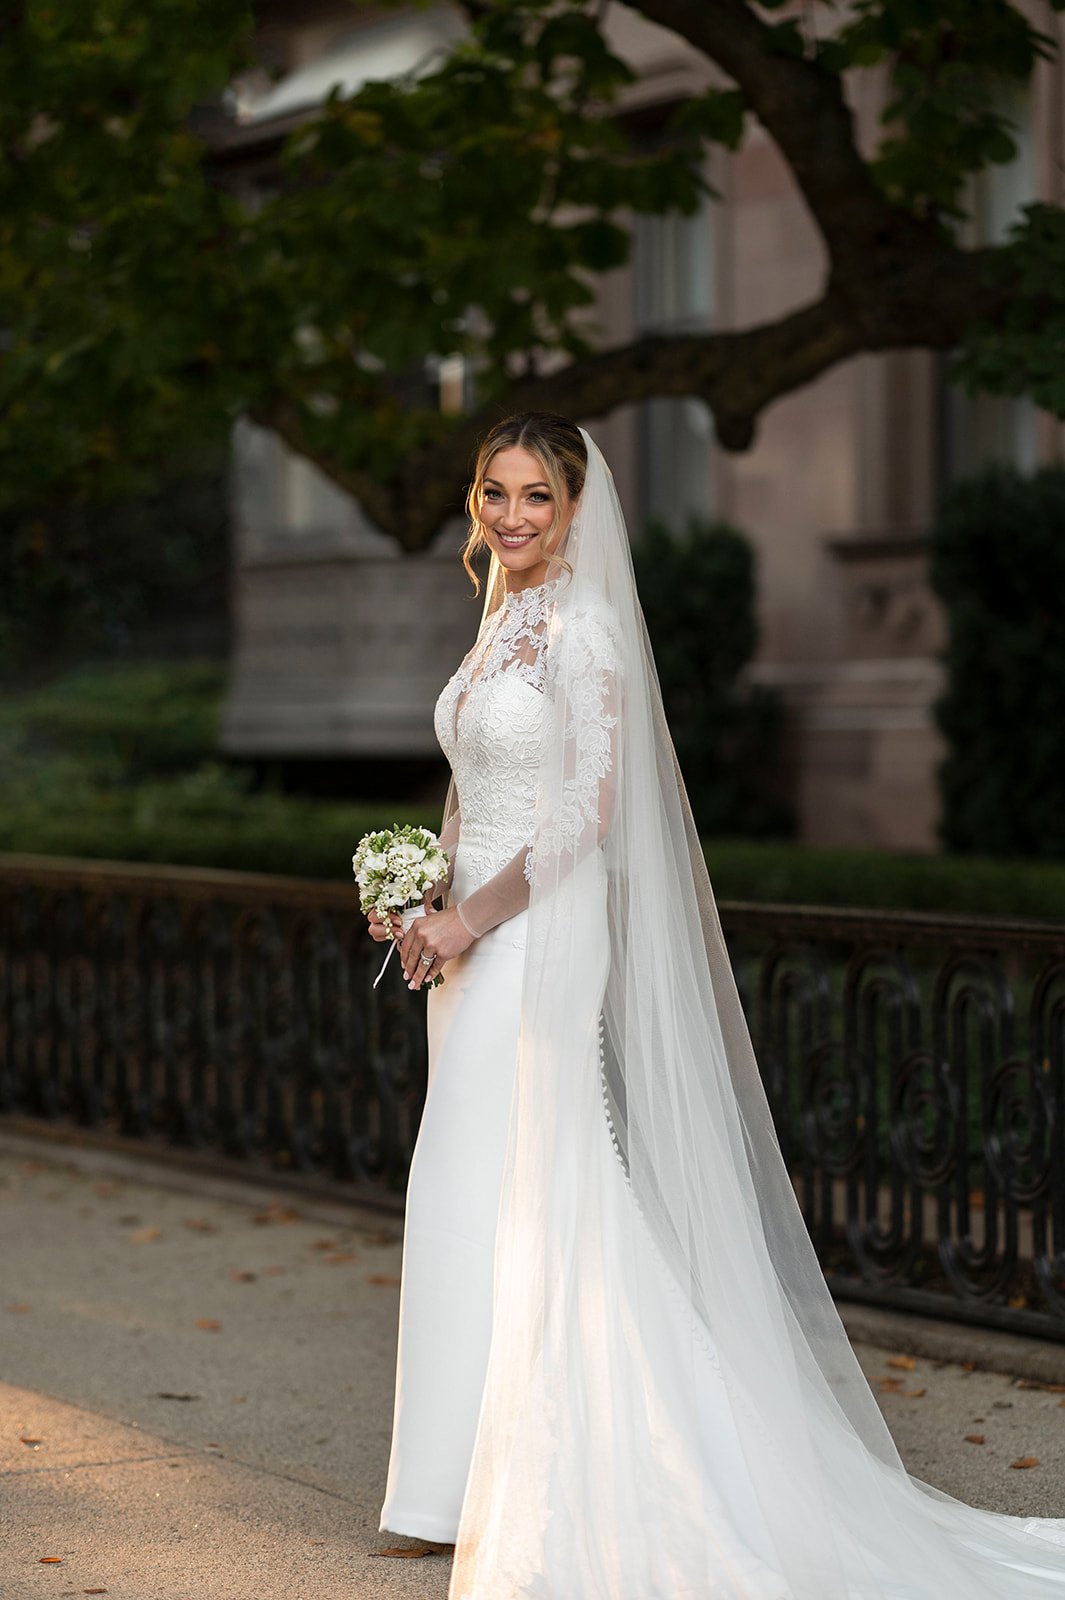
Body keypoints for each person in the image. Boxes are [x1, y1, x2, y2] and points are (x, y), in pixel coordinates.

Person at [367, 412, 1065, 1598]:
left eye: (539, 497)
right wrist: (418, 888)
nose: (515, 517)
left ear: (577, 509)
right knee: (471, 1186)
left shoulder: (585, 635)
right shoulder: (500, 623)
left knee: (526, 1188)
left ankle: (560, 1465)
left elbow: (581, 819)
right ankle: (446, 1479)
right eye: (497, 493)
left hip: (537, 937)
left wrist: (468, 918)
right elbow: (480, 783)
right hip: (474, 930)